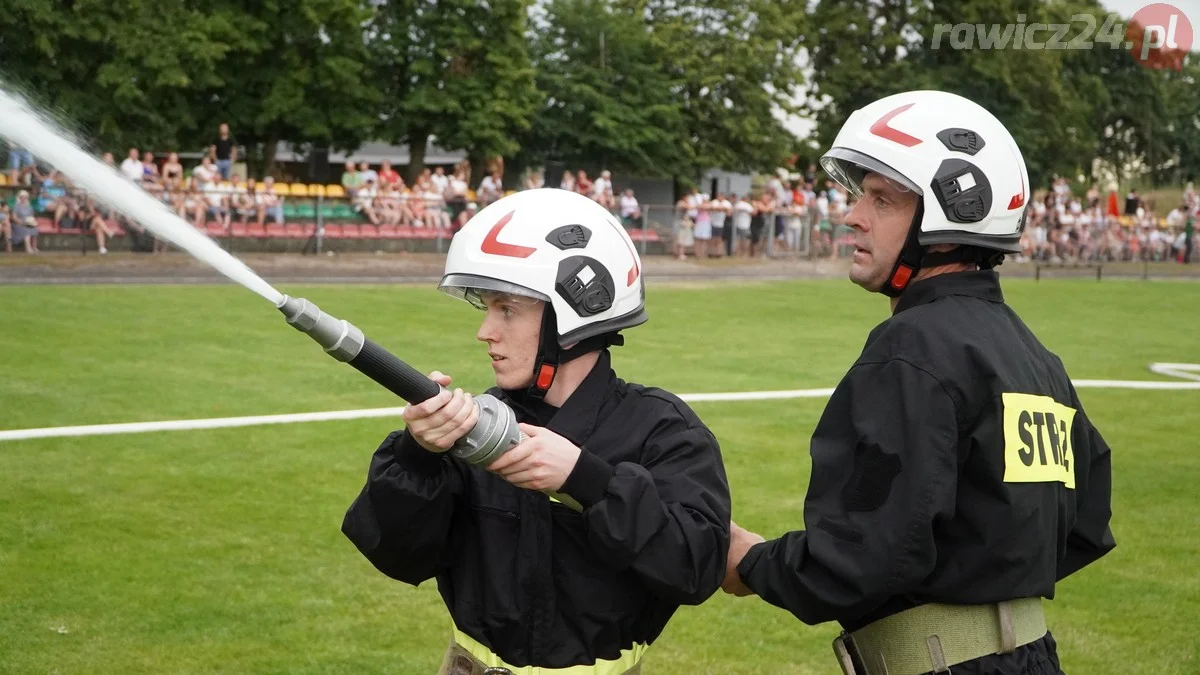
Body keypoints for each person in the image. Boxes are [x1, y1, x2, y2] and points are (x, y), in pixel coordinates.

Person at [721, 90, 1115, 675]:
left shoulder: (912, 349)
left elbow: (856, 559)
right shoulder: (1035, 356)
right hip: (1032, 656)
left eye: (882, 200)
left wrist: (750, 561)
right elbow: (1084, 525)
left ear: (949, 219)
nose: (853, 215)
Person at [341, 188, 731, 675]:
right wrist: (418, 457)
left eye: (506, 308)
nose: (485, 331)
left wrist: (588, 481)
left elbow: (696, 568)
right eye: (486, 307)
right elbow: (397, 557)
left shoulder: (662, 430)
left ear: (579, 307)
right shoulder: (476, 427)